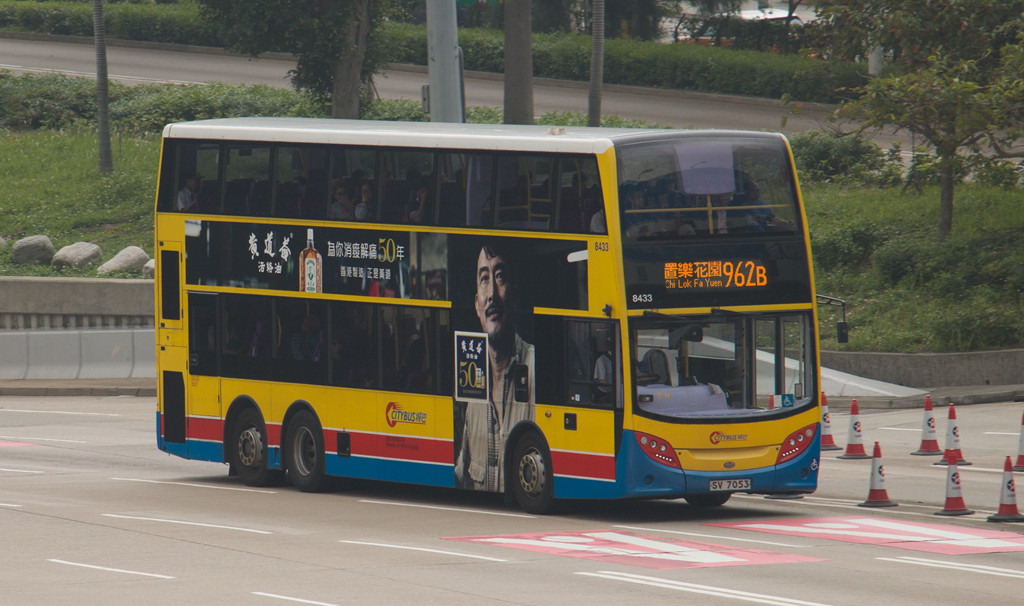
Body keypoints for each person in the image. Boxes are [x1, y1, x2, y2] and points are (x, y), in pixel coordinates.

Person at [455, 241, 535, 492]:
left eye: (499, 277)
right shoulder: (473, 383)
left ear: (514, 296)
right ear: (477, 305)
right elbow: (463, 479)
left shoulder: (536, 370)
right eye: (484, 279)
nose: (491, 294)